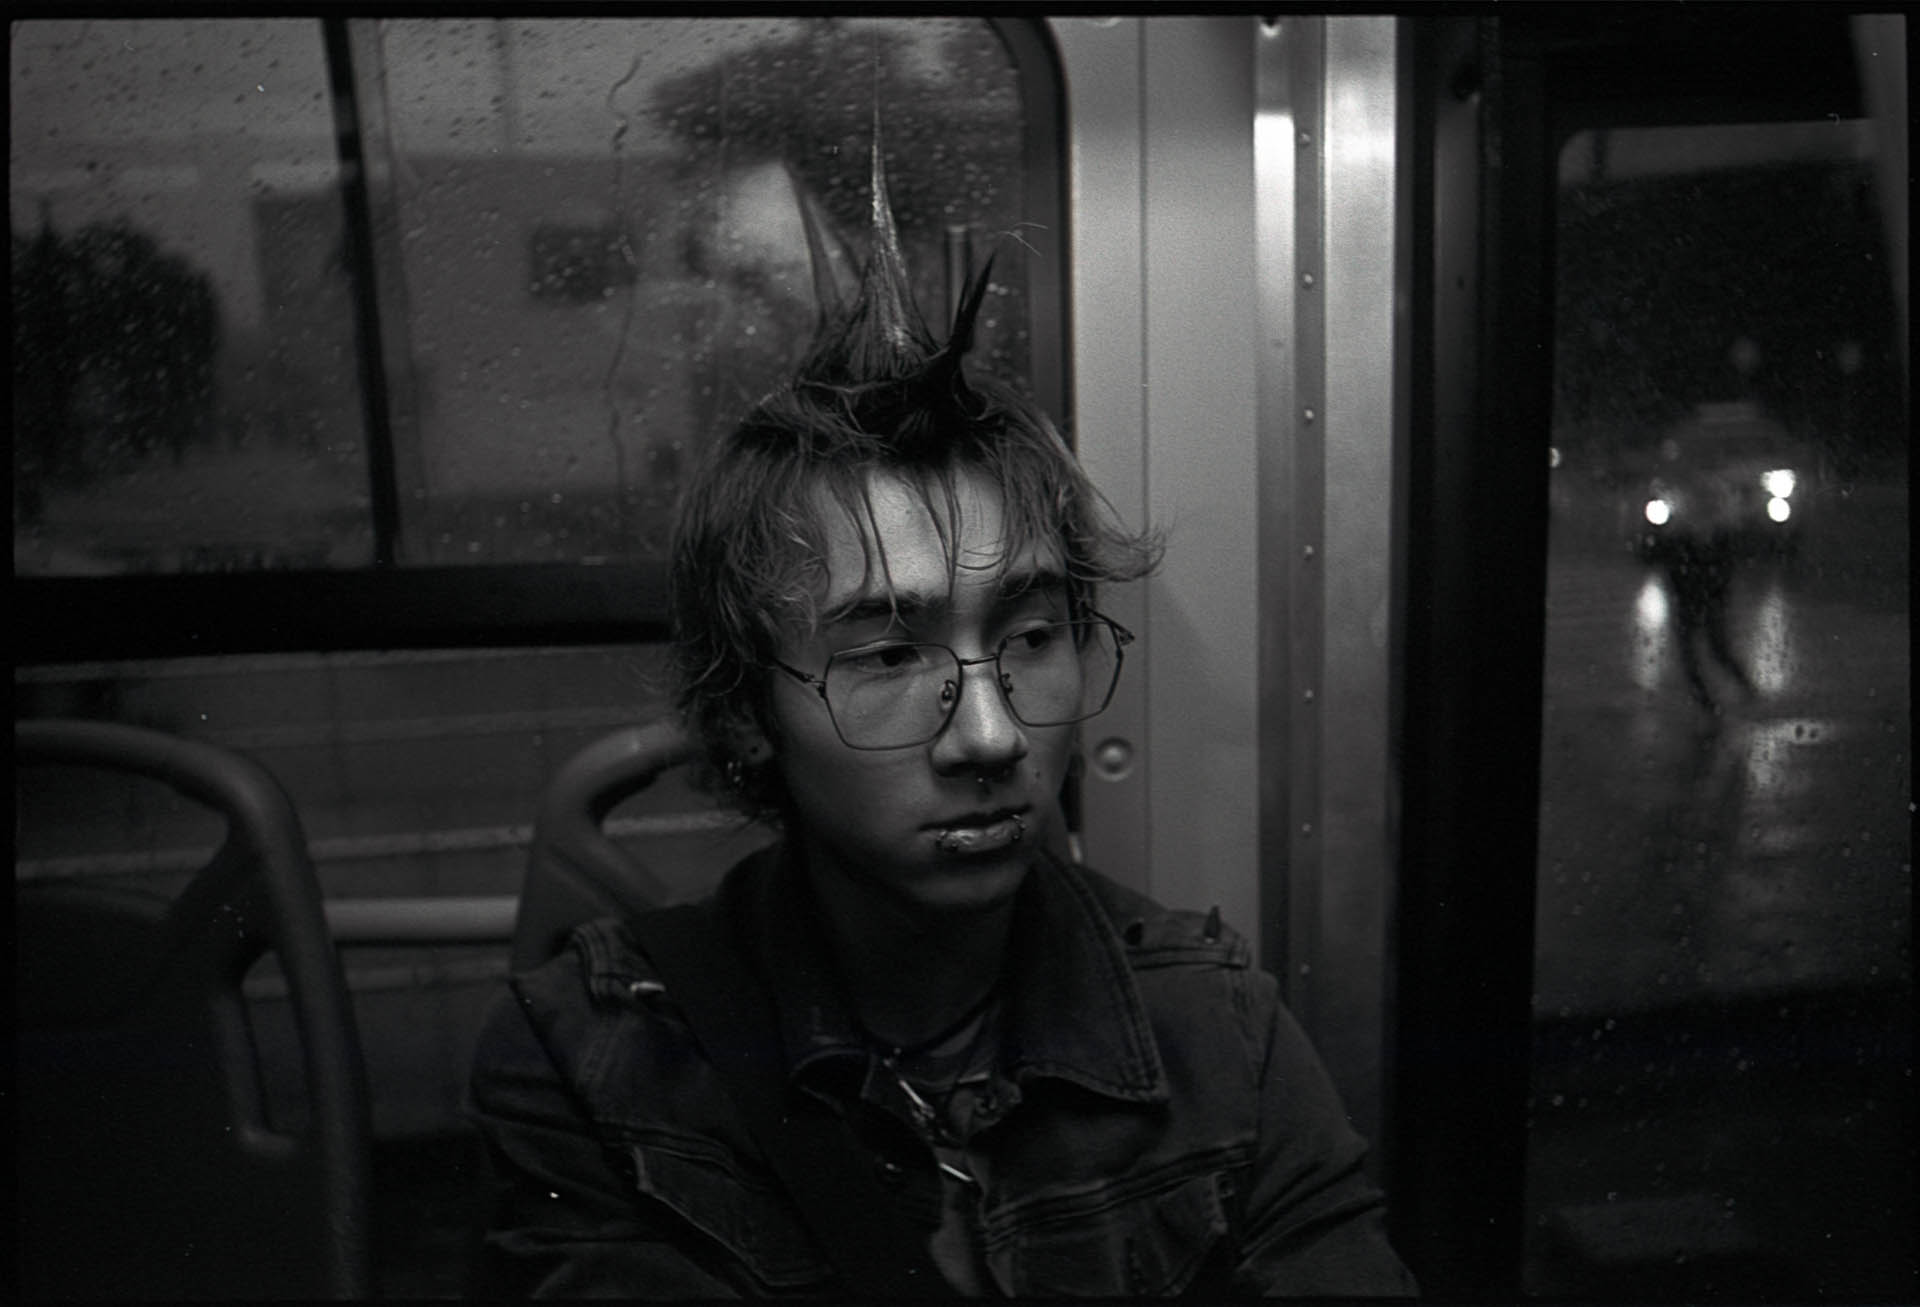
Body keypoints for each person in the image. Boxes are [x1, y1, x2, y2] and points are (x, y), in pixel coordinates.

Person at [467, 147, 1417, 1298]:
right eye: (886, 656)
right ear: (748, 710)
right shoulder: (590, 1060)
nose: (992, 735)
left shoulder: (1220, 1031)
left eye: (1032, 637)